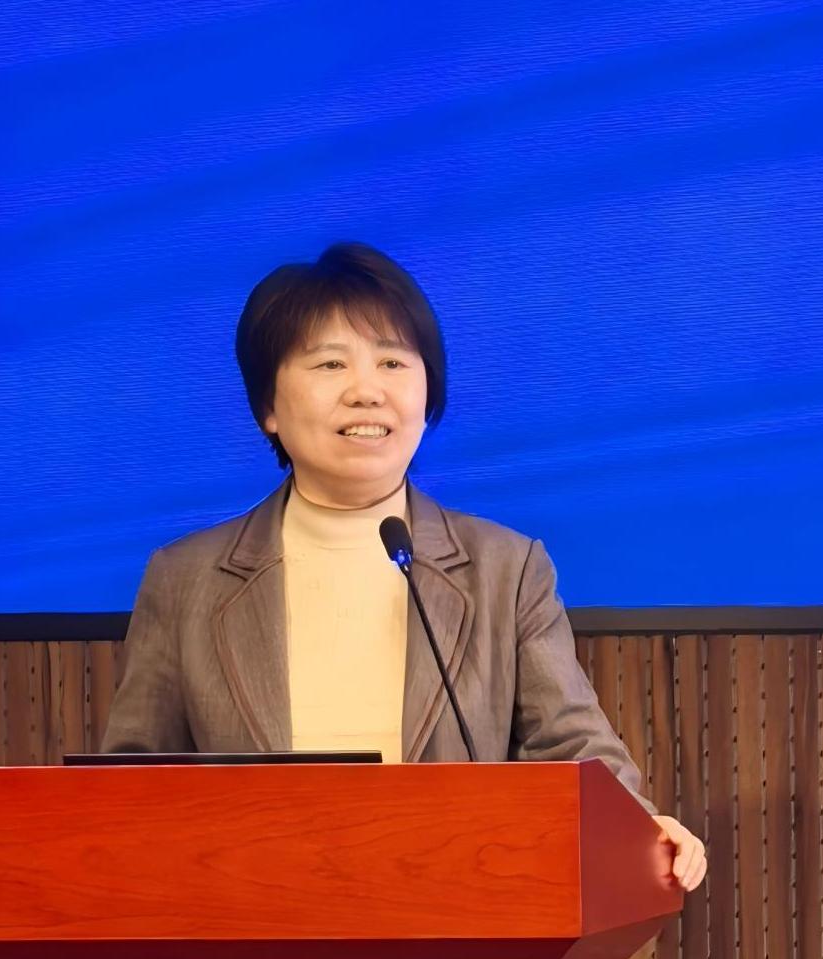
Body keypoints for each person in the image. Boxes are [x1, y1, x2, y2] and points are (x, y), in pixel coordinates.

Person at [102, 242, 707, 892]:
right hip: (250, 915)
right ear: (268, 407)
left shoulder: (503, 570)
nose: (367, 391)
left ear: (427, 393)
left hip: (453, 915)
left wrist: (636, 827)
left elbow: (573, 749)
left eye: (392, 361)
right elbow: (127, 790)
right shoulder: (186, 579)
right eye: (330, 363)